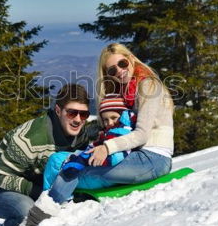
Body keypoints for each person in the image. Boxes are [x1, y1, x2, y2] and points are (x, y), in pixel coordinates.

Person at [47, 43, 175, 204]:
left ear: (131, 59)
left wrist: (106, 148)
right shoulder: (127, 92)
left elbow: (142, 135)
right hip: (136, 155)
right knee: (71, 165)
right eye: (113, 70)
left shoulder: (148, 85)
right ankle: (55, 204)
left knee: (75, 171)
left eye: (122, 64)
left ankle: (47, 211)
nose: (120, 71)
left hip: (153, 158)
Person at [0, 83, 100, 226]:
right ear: (58, 110)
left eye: (84, 114)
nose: (78, 119)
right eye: (71, 113)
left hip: (35, 183)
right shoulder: (30, 139)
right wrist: (37, 192)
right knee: (28, 212)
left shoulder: (80, 136)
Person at [42, 93, 135, 192]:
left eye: (114, 118)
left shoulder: (122, 132)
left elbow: (116, 157)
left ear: (123, 116)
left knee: (55, 161)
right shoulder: (113, 132)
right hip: (95, 170)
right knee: (57, 158)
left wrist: (83, 160)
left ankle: (49, 195)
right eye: (105, 120)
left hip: (99, 174)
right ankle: (49, 194)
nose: (110, 123)